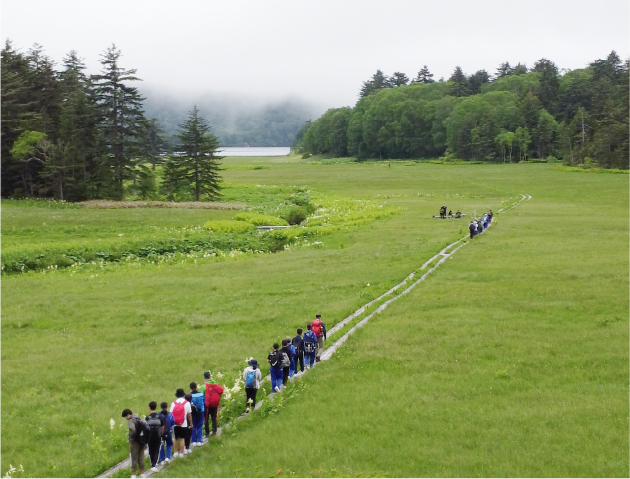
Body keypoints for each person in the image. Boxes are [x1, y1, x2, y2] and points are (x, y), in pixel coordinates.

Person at [122, 408, 146, 478]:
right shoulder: (139, 418)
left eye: (125, 417)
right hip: (142, 440)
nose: (126, 418)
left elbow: (133, 430)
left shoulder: (131, 421)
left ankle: (133, 475)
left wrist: (131, 439)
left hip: (135, 442)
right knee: (141, 458)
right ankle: (143, 473)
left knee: (134, 458)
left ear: (128, 415)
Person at [170, 388, 192, 457]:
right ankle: (181, 453)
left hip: (175, 424)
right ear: (183, 395)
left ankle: (175, 452)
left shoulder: (173, 403)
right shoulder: (187, 403)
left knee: (175, 438)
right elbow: (189, 415)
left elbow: (171, 414)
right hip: (184, 424)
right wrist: (191, 423)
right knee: (182, 439)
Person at [146, 402, 164, 472]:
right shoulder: (159, 417)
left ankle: (151, 463)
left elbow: (146, 428)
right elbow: (162, 427)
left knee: (150, 450)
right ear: (156, 407)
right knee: (156, 450)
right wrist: (161, 435)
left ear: (149, 408)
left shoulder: (147, 418)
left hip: (150, 436)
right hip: (158, 436)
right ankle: (154, 464)